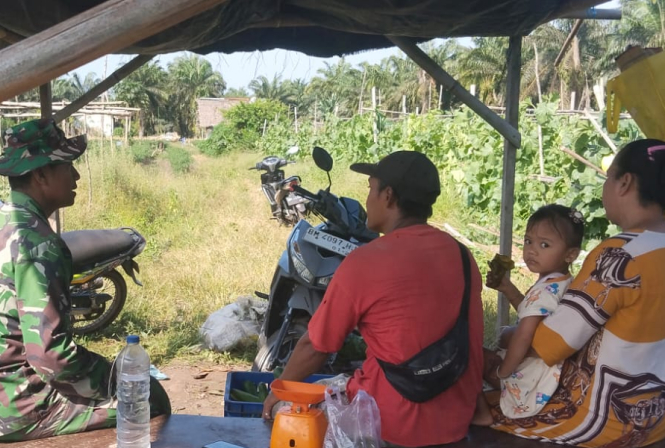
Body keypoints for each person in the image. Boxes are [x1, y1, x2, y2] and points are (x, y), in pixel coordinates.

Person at [262, 150, 485, 447]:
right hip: (454, 421)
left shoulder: (366, 261)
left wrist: (279, 390)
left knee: (285, 412)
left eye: (370, 189)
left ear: (388, 196)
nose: (367, 200)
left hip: (388, 425)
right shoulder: (462, 255)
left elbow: (315, 347)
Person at [0, 119, 116, 441]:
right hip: (3, 410)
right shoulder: (38, 243)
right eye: (67, 166)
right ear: (41, 175)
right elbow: (51, 357)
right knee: (148, 398)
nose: (76, 176)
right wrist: (118, 376)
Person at [486, 138, 665, 448]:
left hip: (604, 420)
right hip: (657, 419)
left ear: (624, 183)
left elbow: (550, 345)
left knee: (473, 376)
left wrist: (506, 341)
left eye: (607, 178)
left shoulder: (620, 254)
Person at [472, 204, 584, 425]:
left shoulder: (545, 291)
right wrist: (508, 289)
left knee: (472, 355)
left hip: (527, 379)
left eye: (544, 245)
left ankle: (483, 412)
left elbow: (524, 335)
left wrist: (503, 371)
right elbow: (531, 310)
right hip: (544, 375)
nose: (532, 250)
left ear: (570, 254)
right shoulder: (560, 282)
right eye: (528, 241)